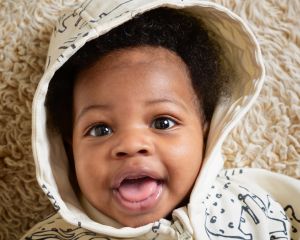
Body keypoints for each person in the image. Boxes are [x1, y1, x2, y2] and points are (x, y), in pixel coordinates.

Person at [22, 0, 300, 239]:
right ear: (69, 148)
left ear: (205, 129)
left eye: (162, 123)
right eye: (100, 129)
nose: (131, 145)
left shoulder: (252, 204)